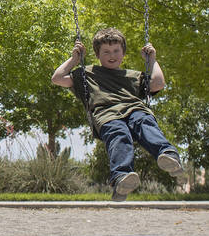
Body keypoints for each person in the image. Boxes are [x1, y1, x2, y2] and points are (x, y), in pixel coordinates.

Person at [51, 26, 185, 202]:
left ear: (123, 53)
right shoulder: (88, 73)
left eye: (116, 50)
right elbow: (57, 78)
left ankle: (168, 155)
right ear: (97, 55)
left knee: (144, 123)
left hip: (135, 109)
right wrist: (74, 59)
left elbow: (158, 84)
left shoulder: (133, 76)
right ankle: (122, 177)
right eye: (106, 52)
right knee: (119, 134)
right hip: (107, 114)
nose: (111, 55)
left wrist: (152, 60)